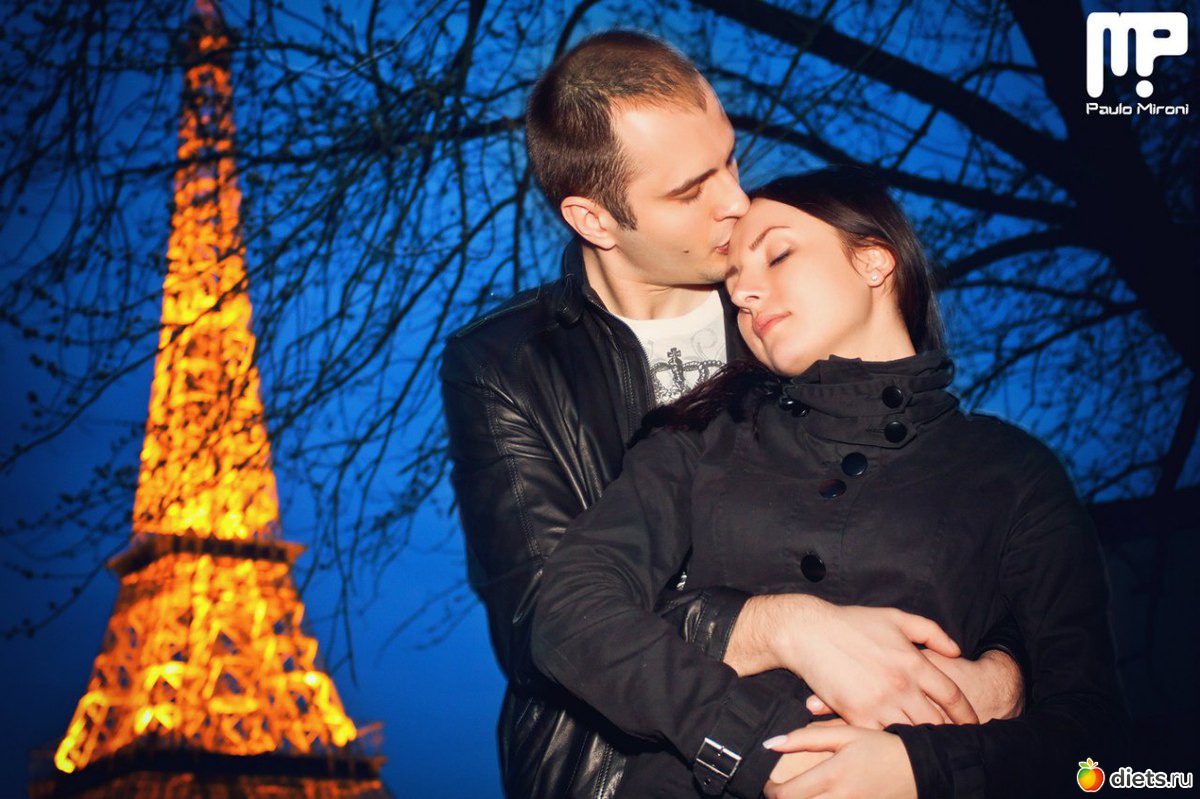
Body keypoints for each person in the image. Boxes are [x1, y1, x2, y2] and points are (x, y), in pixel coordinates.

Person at [441, 32, 1024, 799]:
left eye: (730, 160)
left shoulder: (791, 299)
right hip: (616, 774)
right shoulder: (505, 364)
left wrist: (1004, 668)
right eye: (691, 191)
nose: (737, 202)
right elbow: (541, 625)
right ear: (596, 219)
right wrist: (781, 625)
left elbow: (950, 516)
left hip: (864, 754)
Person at [530, 167, 1127, 798]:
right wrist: (756, 746)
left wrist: (922, 769)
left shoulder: (1013, 473)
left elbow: (1094, 745)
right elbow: (569, 614)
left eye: (777, 255)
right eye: (733, 283)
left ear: (873, 261)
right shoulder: (699, 440)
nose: (744, 295)